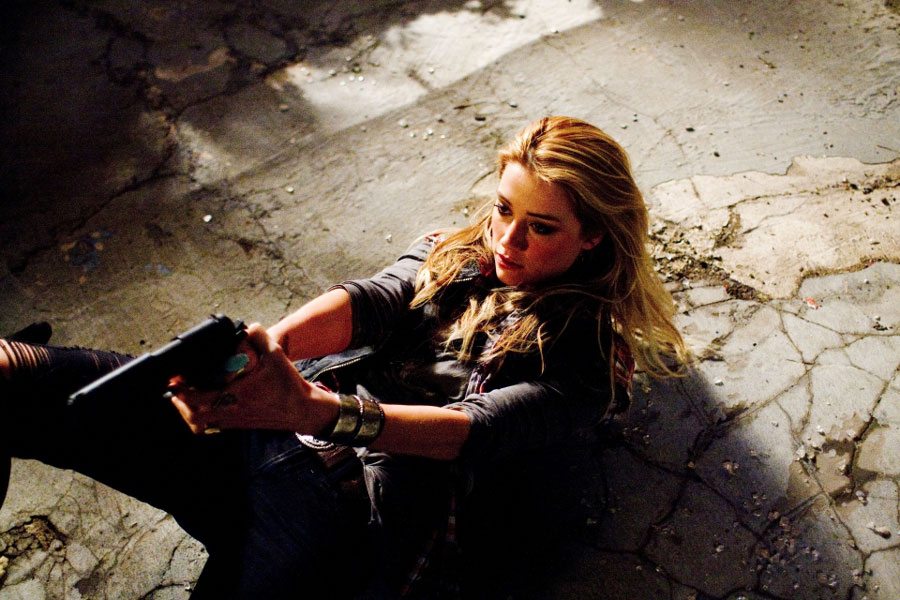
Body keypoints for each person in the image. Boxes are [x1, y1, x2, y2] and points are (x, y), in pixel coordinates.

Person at [0, 116, 689, 598]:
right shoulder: (459, 250)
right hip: (260, 435)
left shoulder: (592, 358)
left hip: (339, 512)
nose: (508, 240)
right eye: (504, 209)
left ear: (593, 236)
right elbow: (376, 299)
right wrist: (265, 351)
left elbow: (474, 431)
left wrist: (316, 410)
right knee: (11, 375)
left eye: (541, 228)